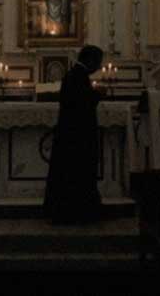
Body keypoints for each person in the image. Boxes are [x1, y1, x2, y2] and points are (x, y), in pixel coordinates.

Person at [44, 44, 104, 224]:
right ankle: (78, 212)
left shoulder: (75, 75)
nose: (99, 67)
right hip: (77, 137)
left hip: (70, 135)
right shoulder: (78, 76)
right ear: (90, 60)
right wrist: (97, 95)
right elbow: (80, 104)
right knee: (77, 174)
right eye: (98, 62)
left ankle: (68, 211)